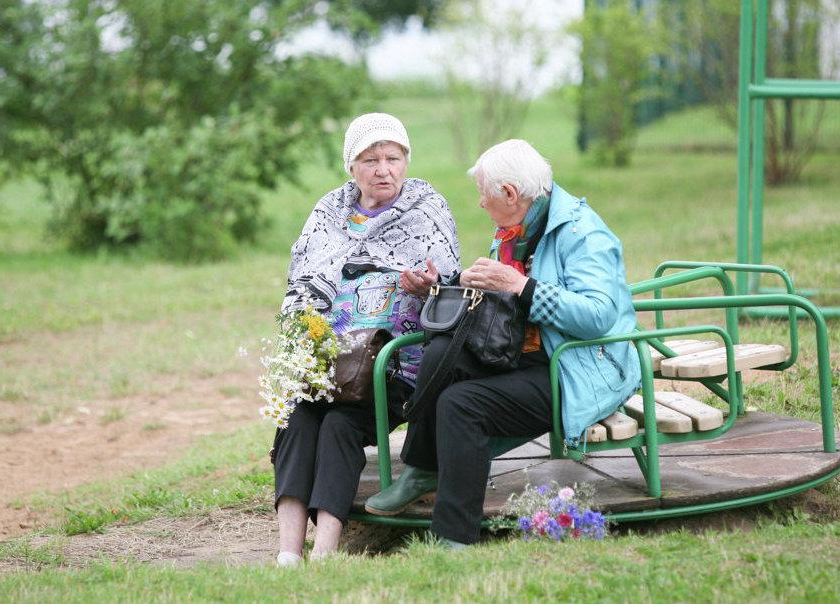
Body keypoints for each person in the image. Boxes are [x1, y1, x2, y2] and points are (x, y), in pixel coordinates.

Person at [364, 139, 641, 546]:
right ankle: (423, 468)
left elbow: (598, 317)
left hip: (578, 367)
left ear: (510, 194)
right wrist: (443, 285)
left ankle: (453, 538)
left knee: (461, 404)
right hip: (528, 352)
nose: (479, 203)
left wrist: (521, 285)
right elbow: (502, 301)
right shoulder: (517, 227)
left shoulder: (583, 233)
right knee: (442, 352)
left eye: (484, 194)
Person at [271, 113, 461, 566]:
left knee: (341, 424)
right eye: (370, 159)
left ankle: (324, 553)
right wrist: (307, 331)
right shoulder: (329, 211)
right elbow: (301, 279)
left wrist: (428, 286)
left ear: (406, 161)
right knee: (295, 418)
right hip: (328, 358)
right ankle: (286, 553)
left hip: (394, 363)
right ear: (351, 166)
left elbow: (452, 288)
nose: (383, 169)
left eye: (393, 158)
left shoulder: (426, 208)